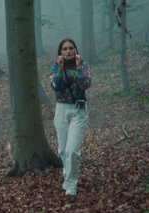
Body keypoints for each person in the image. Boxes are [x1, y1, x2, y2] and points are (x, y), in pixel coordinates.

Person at [49, 38, 91, 198]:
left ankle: (71, 184)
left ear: (75, 50)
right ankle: (68, 174)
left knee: (72, 151)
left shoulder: (84, 66)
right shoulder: (55, 67)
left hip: (78, 110)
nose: (68, 52)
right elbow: (56, 86)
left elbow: (85, 85)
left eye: (71, 48)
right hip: (61, 109)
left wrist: (79, 68)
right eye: (64, 49)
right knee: (62, 150)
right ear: (60, 52)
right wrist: (60, 68)